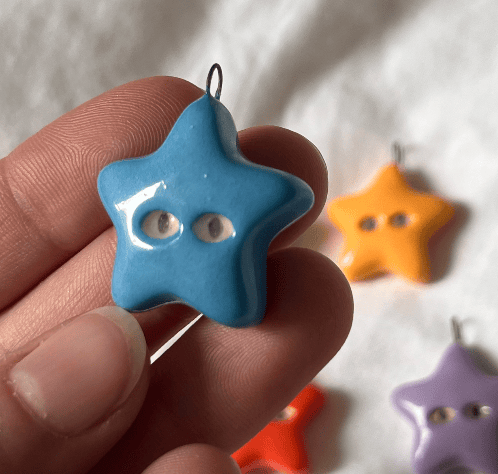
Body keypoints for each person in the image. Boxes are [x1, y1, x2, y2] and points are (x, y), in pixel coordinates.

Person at [0, 75, 353, 473]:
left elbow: (290, 195)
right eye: (161, 222)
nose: (181, 226)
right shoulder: (124, 191)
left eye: (213, 226)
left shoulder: (129, 186)